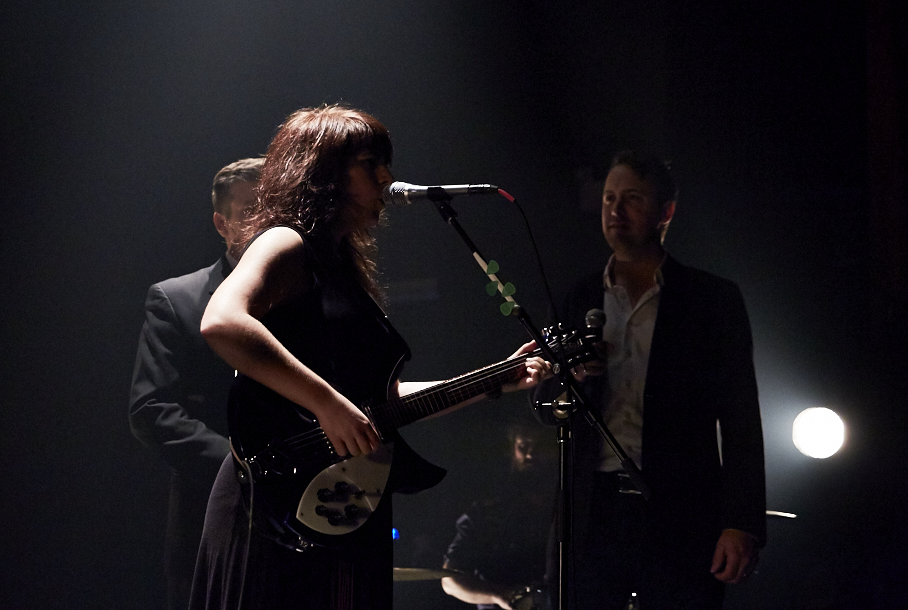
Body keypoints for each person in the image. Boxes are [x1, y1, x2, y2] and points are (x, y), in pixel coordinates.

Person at [190, 105, 552, 610]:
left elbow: (375, 404)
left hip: (335, 501)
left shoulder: (342, 268)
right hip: (272, 502)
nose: (388, 177)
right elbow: (223, 321)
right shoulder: (286, 242)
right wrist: (327, 404)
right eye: (370, 164)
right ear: (324, 174)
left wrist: (493, 381)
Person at [533, 151, 765, 610]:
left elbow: (741, 418)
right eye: (608, 199)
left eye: (631, 199)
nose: (615, 212)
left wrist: (742, 523)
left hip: (680, 506)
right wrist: (571, 376)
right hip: (591, 509)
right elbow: (543, 404)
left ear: (666, 212)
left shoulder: (712, 299)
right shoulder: (578, 295)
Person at [129, 156, 264, 610]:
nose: (266, 220)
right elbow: (151, 412)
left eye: (274, 207)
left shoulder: (308, 295)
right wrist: (244, 471)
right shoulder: (177, 298)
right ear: (221, 224)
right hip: (212, 520)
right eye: (251, 209)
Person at [441, 425, 552, 609]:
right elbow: (449, 580)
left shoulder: (564, 507)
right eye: (523, 446)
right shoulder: (486, 513)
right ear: (512, 449)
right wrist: (502, 595)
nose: (531, 454)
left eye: (540, 446)